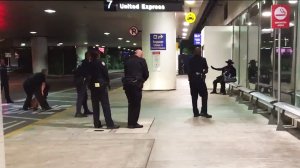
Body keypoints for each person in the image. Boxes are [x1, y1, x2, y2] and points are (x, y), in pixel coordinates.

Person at [88, 50, 119, 129]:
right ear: (98, 55)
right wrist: (108, 83)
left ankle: (96, 123)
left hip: (93, 86)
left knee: (95, 106)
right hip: (101, 86)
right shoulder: (101, 63)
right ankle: (109, 124)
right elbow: (105, 73)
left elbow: (88, 75)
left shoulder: (89, 64)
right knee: (105, 105)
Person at [122, 49, 149, 128]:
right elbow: (146, 74)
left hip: (127, 84)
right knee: (136, 104)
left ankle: (130, 122)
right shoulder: (142, 61)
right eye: (142, 54)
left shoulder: (127, 60)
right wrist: (142, 81)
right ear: (140, 54)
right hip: (136, 84)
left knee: (131, 103)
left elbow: (125, 72)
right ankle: (134, 123)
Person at [188, 48, 212, 118]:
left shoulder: (190, 59)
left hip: (192, 81)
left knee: (194, 96)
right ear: (199, 52)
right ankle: (204, 112)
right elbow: (206, 69)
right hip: (200, 80)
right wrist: (203, 73)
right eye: (199, 51)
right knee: (204, 95)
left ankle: (195, 113)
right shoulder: (203, 59)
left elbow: (188, 71)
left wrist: (190, 79)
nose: (200, 52)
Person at [74, 52, 93, 118]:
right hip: (81, 81)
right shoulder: (87, 63)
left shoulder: (82, 62)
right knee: (81, 96)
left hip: (78, 80)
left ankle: (86, 110)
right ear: (88, 56)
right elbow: (88, 73)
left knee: (84, 96)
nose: (91, 57)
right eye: (90, 56)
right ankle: (78, 112)